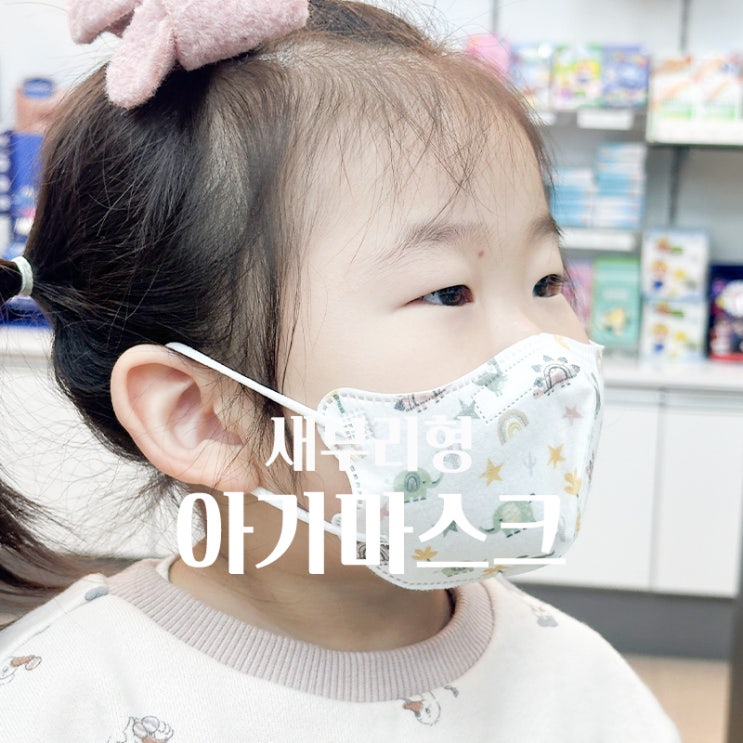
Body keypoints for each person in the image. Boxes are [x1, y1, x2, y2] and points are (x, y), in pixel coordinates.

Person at [0, 0, 680, 739]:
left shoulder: (581, 686)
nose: (543, 349)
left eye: (547, 281)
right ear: (200, 415)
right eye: (447, 291)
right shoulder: (60, 703)